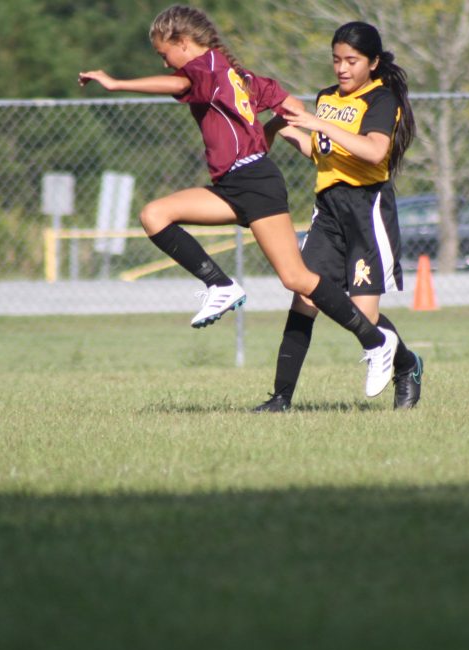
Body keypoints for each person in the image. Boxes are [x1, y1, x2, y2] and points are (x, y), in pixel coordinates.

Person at [79, 4, 398, 397]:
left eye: (165, 55)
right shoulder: (234, 74)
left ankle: (375, 340)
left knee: (297, 279)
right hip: (235, 183)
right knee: (155, 214)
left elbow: (180, 85)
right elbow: (283, 99)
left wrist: (116, 83)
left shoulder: (205, 66)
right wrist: (285, 121)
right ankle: (221, 285)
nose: (166, 65)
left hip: (255, 184)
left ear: (183, 42)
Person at [254, 21, 423, 412]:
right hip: (329, 210)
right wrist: (282, 123)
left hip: (367, 210)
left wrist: (317, 122)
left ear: (373, 62)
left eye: (352, 60)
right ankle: (280, 399)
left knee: (364, 316)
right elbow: (320, 151)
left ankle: (408, 365)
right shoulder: (326, 97)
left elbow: (374, 151)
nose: (342, 68)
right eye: (336, 60)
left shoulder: (381, 99)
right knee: (304, 297)